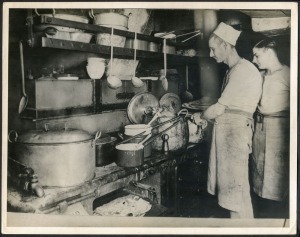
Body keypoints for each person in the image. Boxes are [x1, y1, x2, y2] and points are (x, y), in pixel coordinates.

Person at [192, 22, 262, 218]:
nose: (212, 54)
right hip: (230, 134)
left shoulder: (242, 70)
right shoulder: (234, 70)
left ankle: (241, 229)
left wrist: (198, 116)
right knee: (236, 193)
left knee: (235, 193)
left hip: (235, 135)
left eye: (214, 49)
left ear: (225, 45)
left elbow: (220, 108)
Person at [251, 38, 290, 218]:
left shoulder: (288, 73)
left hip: (280, 128)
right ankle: (262, 212)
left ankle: (277, 214)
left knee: (277, 173)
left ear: (268, 50)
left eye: (257, 55)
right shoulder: (260, 75)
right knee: (259, 169)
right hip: (260, 126)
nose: (254, 60)